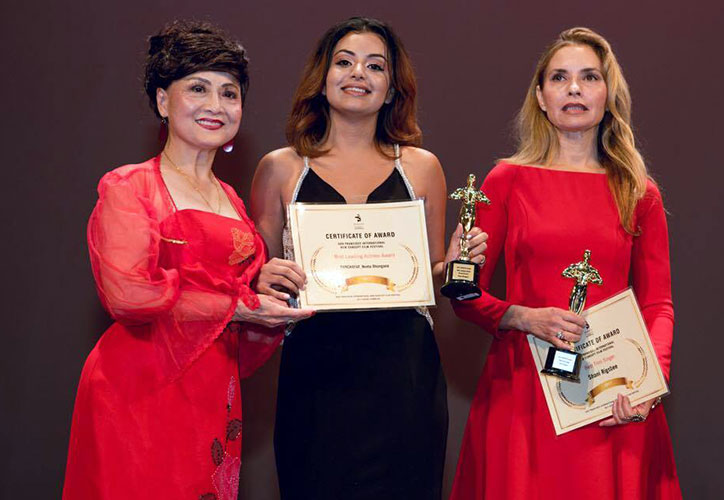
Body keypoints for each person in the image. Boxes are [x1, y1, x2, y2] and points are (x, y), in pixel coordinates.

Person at [62, 21, 312, 499]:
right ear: (163, 101)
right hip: (138, 385)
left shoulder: (232, 199)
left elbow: (231, 295)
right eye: (198, 88)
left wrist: (263, 284)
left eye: (229, 93)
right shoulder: (131, 186)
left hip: (212, 386)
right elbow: (129, 295)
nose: (216, 105)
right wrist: (239, 305)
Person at [250, 16, 487, 500]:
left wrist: (455, 262)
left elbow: (432, 274)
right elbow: (259, 280)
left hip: (404, 374)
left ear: (392, 88)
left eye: (375, 66)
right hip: (315, 372)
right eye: (344, 62)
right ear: (322, 78)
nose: (358, 73)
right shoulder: (280, 168)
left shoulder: (421, 167)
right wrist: (264, 279)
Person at [449, 27, 681, 499]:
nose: (574, 88)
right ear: (540, 96)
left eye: (589, 77)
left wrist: (649, 381)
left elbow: (658, 305)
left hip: (613, 396)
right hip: (523, 395)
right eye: (559, 77)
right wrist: (521, 316)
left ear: (607, 94)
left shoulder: (640, 191)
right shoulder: (505, 181)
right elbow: (466, 297)